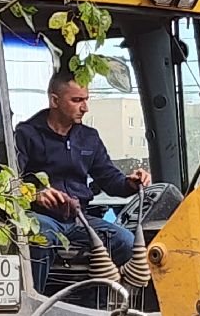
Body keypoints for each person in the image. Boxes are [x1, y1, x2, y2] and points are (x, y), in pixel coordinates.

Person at [14, 70, 152, 292]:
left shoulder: (89, 137)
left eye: (86, 100)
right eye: (77, 100)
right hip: (40, 217)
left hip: (80, 219)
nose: (85, 108)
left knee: (126, 242)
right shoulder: (26, 134)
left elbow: (110, 180)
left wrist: (131, 183)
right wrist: (35, 195)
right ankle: (36, 301)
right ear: (54, 101)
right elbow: (10, 184)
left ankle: (104, 307)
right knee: (40, 237)